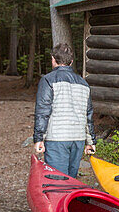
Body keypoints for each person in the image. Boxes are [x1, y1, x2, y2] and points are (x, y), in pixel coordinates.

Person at [33, 43, 95, 178]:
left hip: (57, 138)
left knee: (58, 181)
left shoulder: (48, 80)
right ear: (71, 62)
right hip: (78, 139)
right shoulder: (84, 83)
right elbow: (88, 115)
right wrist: (90, 142)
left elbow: (43, 112)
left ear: (53, 59)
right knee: (71, 180)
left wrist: (39, 139)